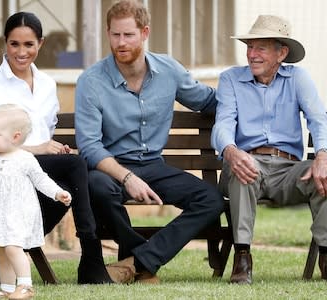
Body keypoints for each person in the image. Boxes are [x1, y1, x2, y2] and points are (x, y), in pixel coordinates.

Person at [74, 0, 224, 284]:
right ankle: (141, 260)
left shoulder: (169, 71)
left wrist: (249, 90)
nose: (121, 42)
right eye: (115, 34)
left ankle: (140, 261)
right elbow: (90, 146)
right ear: (108, 33)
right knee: (97, 186)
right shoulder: (91, 81)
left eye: (128, 35)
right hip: (111, 169)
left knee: (211, 200)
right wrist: (127, 177)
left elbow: (208, 100)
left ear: (144, 33)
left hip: (154, 167)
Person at [0, 11, 112, 284]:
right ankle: (91, 256)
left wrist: (53, 149)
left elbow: (46, 131)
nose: (21, 52)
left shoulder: (47, 84)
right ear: (4, 43)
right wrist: (39, 148)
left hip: (34, 170)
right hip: (4, 170)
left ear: (40, 44)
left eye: (29, 44)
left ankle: (3, 268)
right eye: (14, 44)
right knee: (77, 168)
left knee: (70, 179)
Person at [211, 14, 327, 285]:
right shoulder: (230, 79)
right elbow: (223, 124)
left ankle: (326, 254)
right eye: (250, 47)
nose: (252, 54)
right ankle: (242, 258)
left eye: (260, 48)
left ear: (281, 53)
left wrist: (322, 155)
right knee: (244, 169)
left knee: (323, 175)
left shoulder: (298, 78)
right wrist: (231, 150)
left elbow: (319, 119)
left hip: (288, 170)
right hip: (247, 163)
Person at [0, 104, 71, 299]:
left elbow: (41, 179)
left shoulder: (25, 158)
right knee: (0, 251)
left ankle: (25, 286)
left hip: (18, 213)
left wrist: (57, 193)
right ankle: (7, 288)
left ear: (15, 137)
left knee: (12, 248)